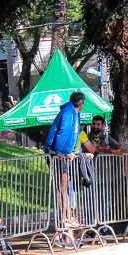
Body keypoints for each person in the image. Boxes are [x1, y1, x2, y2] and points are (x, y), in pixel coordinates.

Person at [44, 92, 85, 228]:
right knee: (61, 186)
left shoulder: (74, 113)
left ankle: (67, 217)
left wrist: (72, 151)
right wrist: (60, 151)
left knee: (64, 186)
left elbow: (74, 134)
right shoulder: (68, 112)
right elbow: (64, 131)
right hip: (56, 153)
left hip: (63, 153)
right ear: (82, 104)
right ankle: (63, 218)